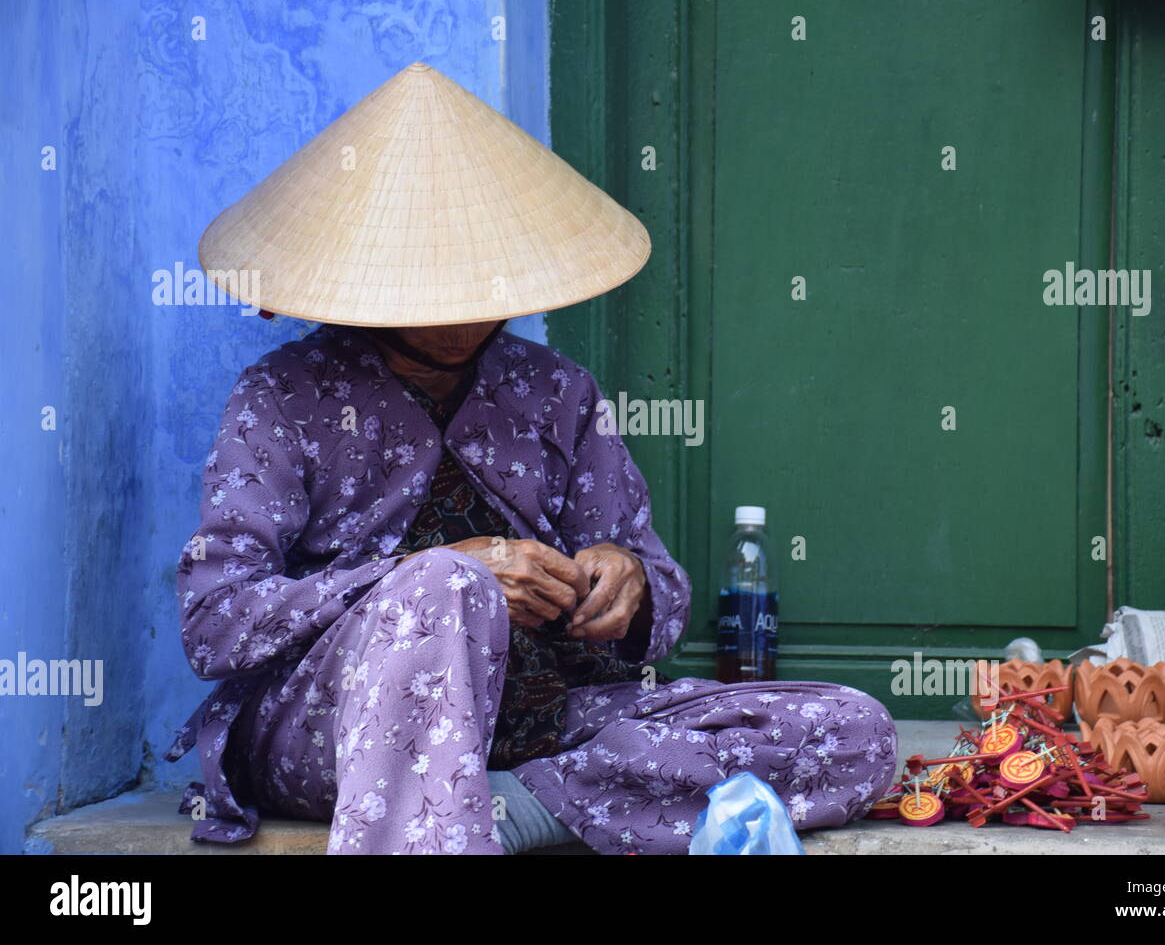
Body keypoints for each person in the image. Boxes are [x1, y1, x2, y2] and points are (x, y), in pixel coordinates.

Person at [165, 63, 896, 854]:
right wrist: (445, 572)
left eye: (476, 280)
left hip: (535, 727)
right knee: (443, 585)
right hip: (328, 735)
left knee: (851, 732)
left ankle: (503, 808)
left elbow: (663, 609)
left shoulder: (556, 393)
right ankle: (448, 811)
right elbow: (217, 625)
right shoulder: (283, 396)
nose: (457, 308)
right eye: (429, 282)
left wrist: (631, 583)